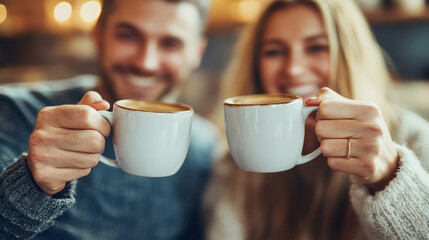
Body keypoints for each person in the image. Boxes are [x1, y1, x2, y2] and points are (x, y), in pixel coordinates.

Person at [204, 0, 429, 239]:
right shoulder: (233, 167)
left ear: (348, 56)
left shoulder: (414, 139)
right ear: (255, 67)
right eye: (275, 51)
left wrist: (388, 176)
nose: (293, 69)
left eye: (316, 48)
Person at [0, 0, 222, 239]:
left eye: (170, 44)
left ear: (197, 53)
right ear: (98, 35)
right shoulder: (12, 112)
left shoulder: (204, 149)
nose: (145, 62)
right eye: (128, 36)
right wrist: (31, 182)